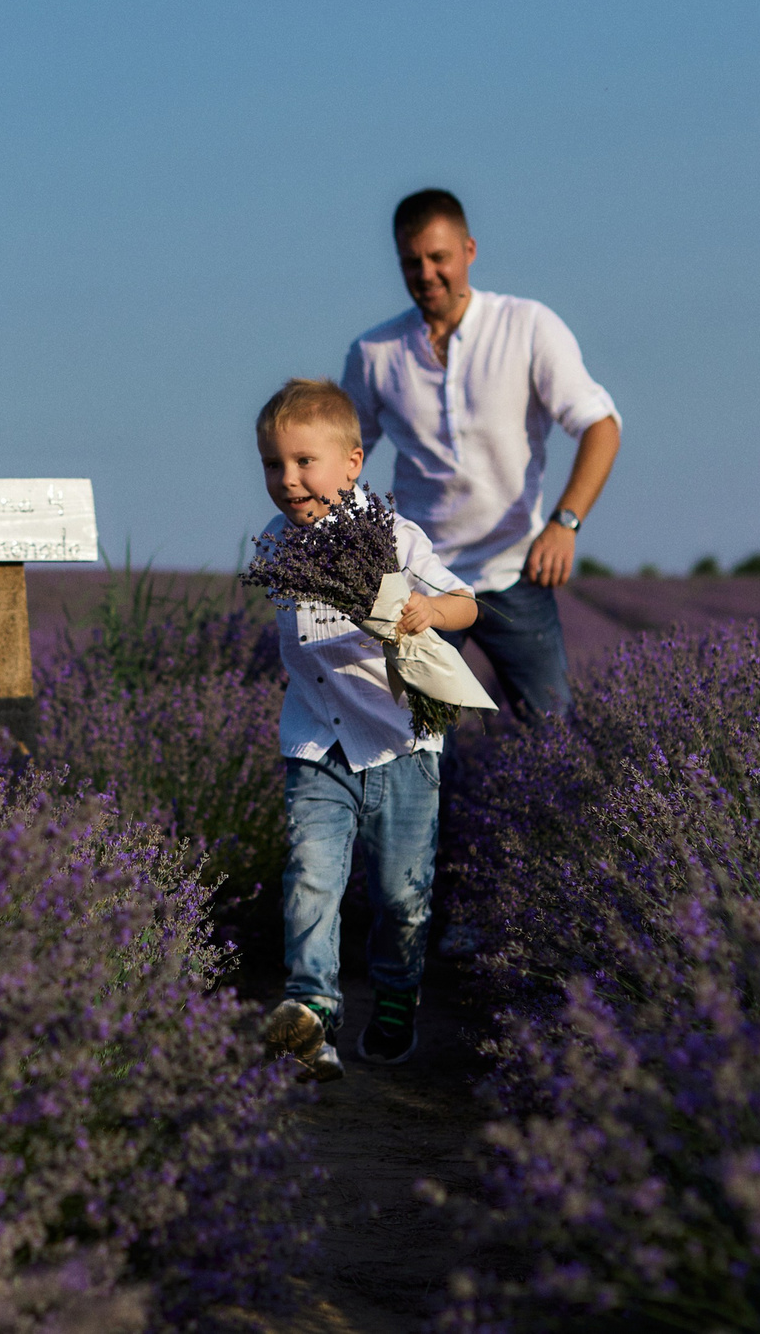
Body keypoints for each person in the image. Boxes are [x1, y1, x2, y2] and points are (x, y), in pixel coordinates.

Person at [251, 378, 477, 1080]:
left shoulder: (398, 536)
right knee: (312, 878)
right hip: (318, 742)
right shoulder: (274, 544)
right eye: (273, 465)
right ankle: (311, 1014)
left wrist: (428, 611)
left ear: (352, 462)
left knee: (401, 895)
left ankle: (397, 993)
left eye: (303, 462)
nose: (287, 480)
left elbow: (467, 604)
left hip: (404, 744)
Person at [340, 189, 619, 723]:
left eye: (438, 258)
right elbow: (340, 457)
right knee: (410, 742)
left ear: (469, 250)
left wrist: (565, 523)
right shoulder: (375, 354)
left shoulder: (528, 326)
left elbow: (601, 427)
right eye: (411, 261)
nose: (426, 273)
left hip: (515, 574)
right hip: (422, 585)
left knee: (554, 736)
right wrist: (360, 552)